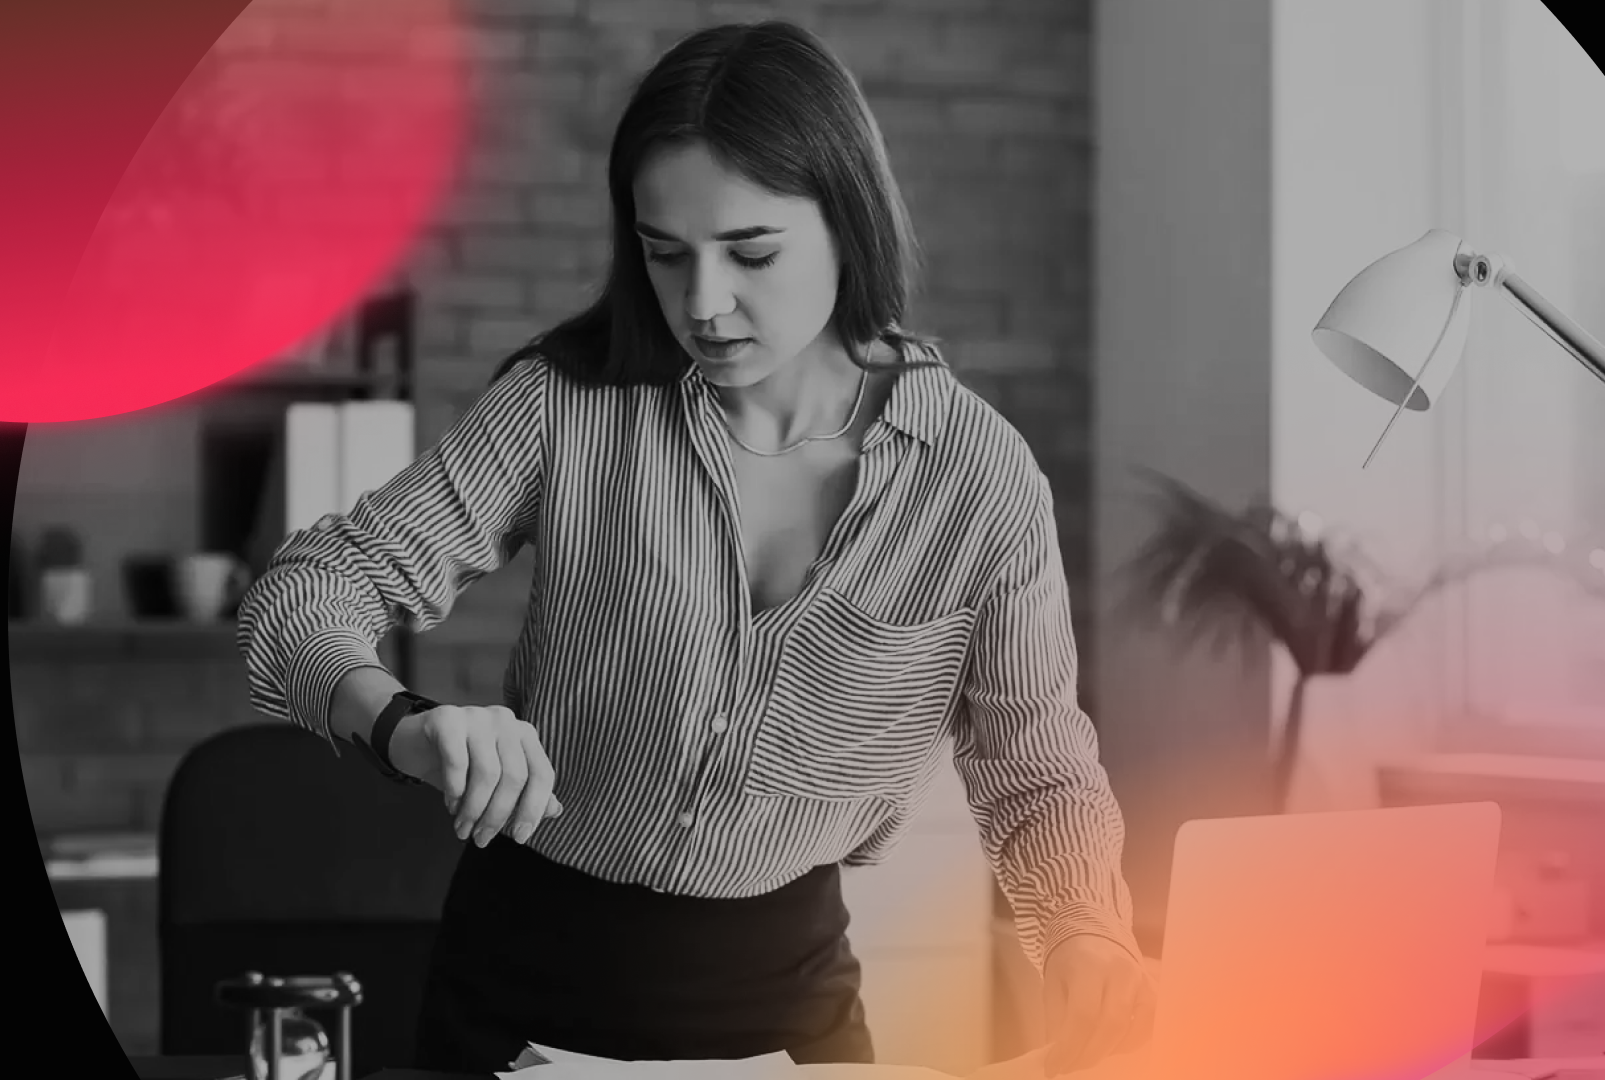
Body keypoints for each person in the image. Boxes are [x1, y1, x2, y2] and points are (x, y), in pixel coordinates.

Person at [237, 19, 1155, 1079]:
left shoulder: (980, 480)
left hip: (790, 1019)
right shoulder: (566, 408)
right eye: (664, 254)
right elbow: (303, 596)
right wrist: (402, 725)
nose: (703, 304)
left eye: (750, 251)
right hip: (517, 1004)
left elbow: (1035, 772)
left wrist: (1086, 934)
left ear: (847, 221)